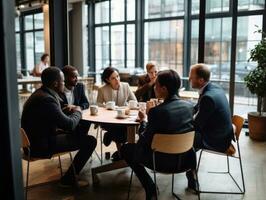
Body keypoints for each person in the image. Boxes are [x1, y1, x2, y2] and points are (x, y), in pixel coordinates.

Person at [121, 70, 196, 200]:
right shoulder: (190, 107)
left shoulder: (157, 112)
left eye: (156, 85)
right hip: (185, 160)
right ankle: (193, 180)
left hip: (160, 162)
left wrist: (144, 119)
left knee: (127, 149)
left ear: (164, 88)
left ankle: (150, 188)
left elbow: (144, 141)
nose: (154, 88)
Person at [21, 67, 97, 187]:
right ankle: (68, 180)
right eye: (63, 81)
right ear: (56, 83)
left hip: (35, 141)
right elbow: (70, 125)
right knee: (90, 141)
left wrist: (62, 112)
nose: (64, 84)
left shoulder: (40, 94)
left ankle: (70, 175)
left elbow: (50, 117)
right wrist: (78, 111)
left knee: (78, 136)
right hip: (40, 145)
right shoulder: (47, 100)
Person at [189, 63, 234, 152]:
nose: (189, 79)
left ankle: (184, 163)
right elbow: (196, 108)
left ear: (201, 80)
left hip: (216, 141)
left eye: (191, 77)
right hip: (223, 135)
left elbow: (197, 125)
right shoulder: (214, 88)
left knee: (185, 135)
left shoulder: (208, 98)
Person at [97, 67, 137, 161]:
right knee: (120, 130)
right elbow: (98, 104)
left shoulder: (126, 86)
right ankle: (122, 155)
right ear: (107, 80)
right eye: (113, 78)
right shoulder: (102, 89)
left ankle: (111, 138)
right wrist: (107, 106)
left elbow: (134, 100)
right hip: (109, 120)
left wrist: (127, 106)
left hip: (123, 118)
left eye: (118, 76)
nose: (117, 80)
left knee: (125, 130)